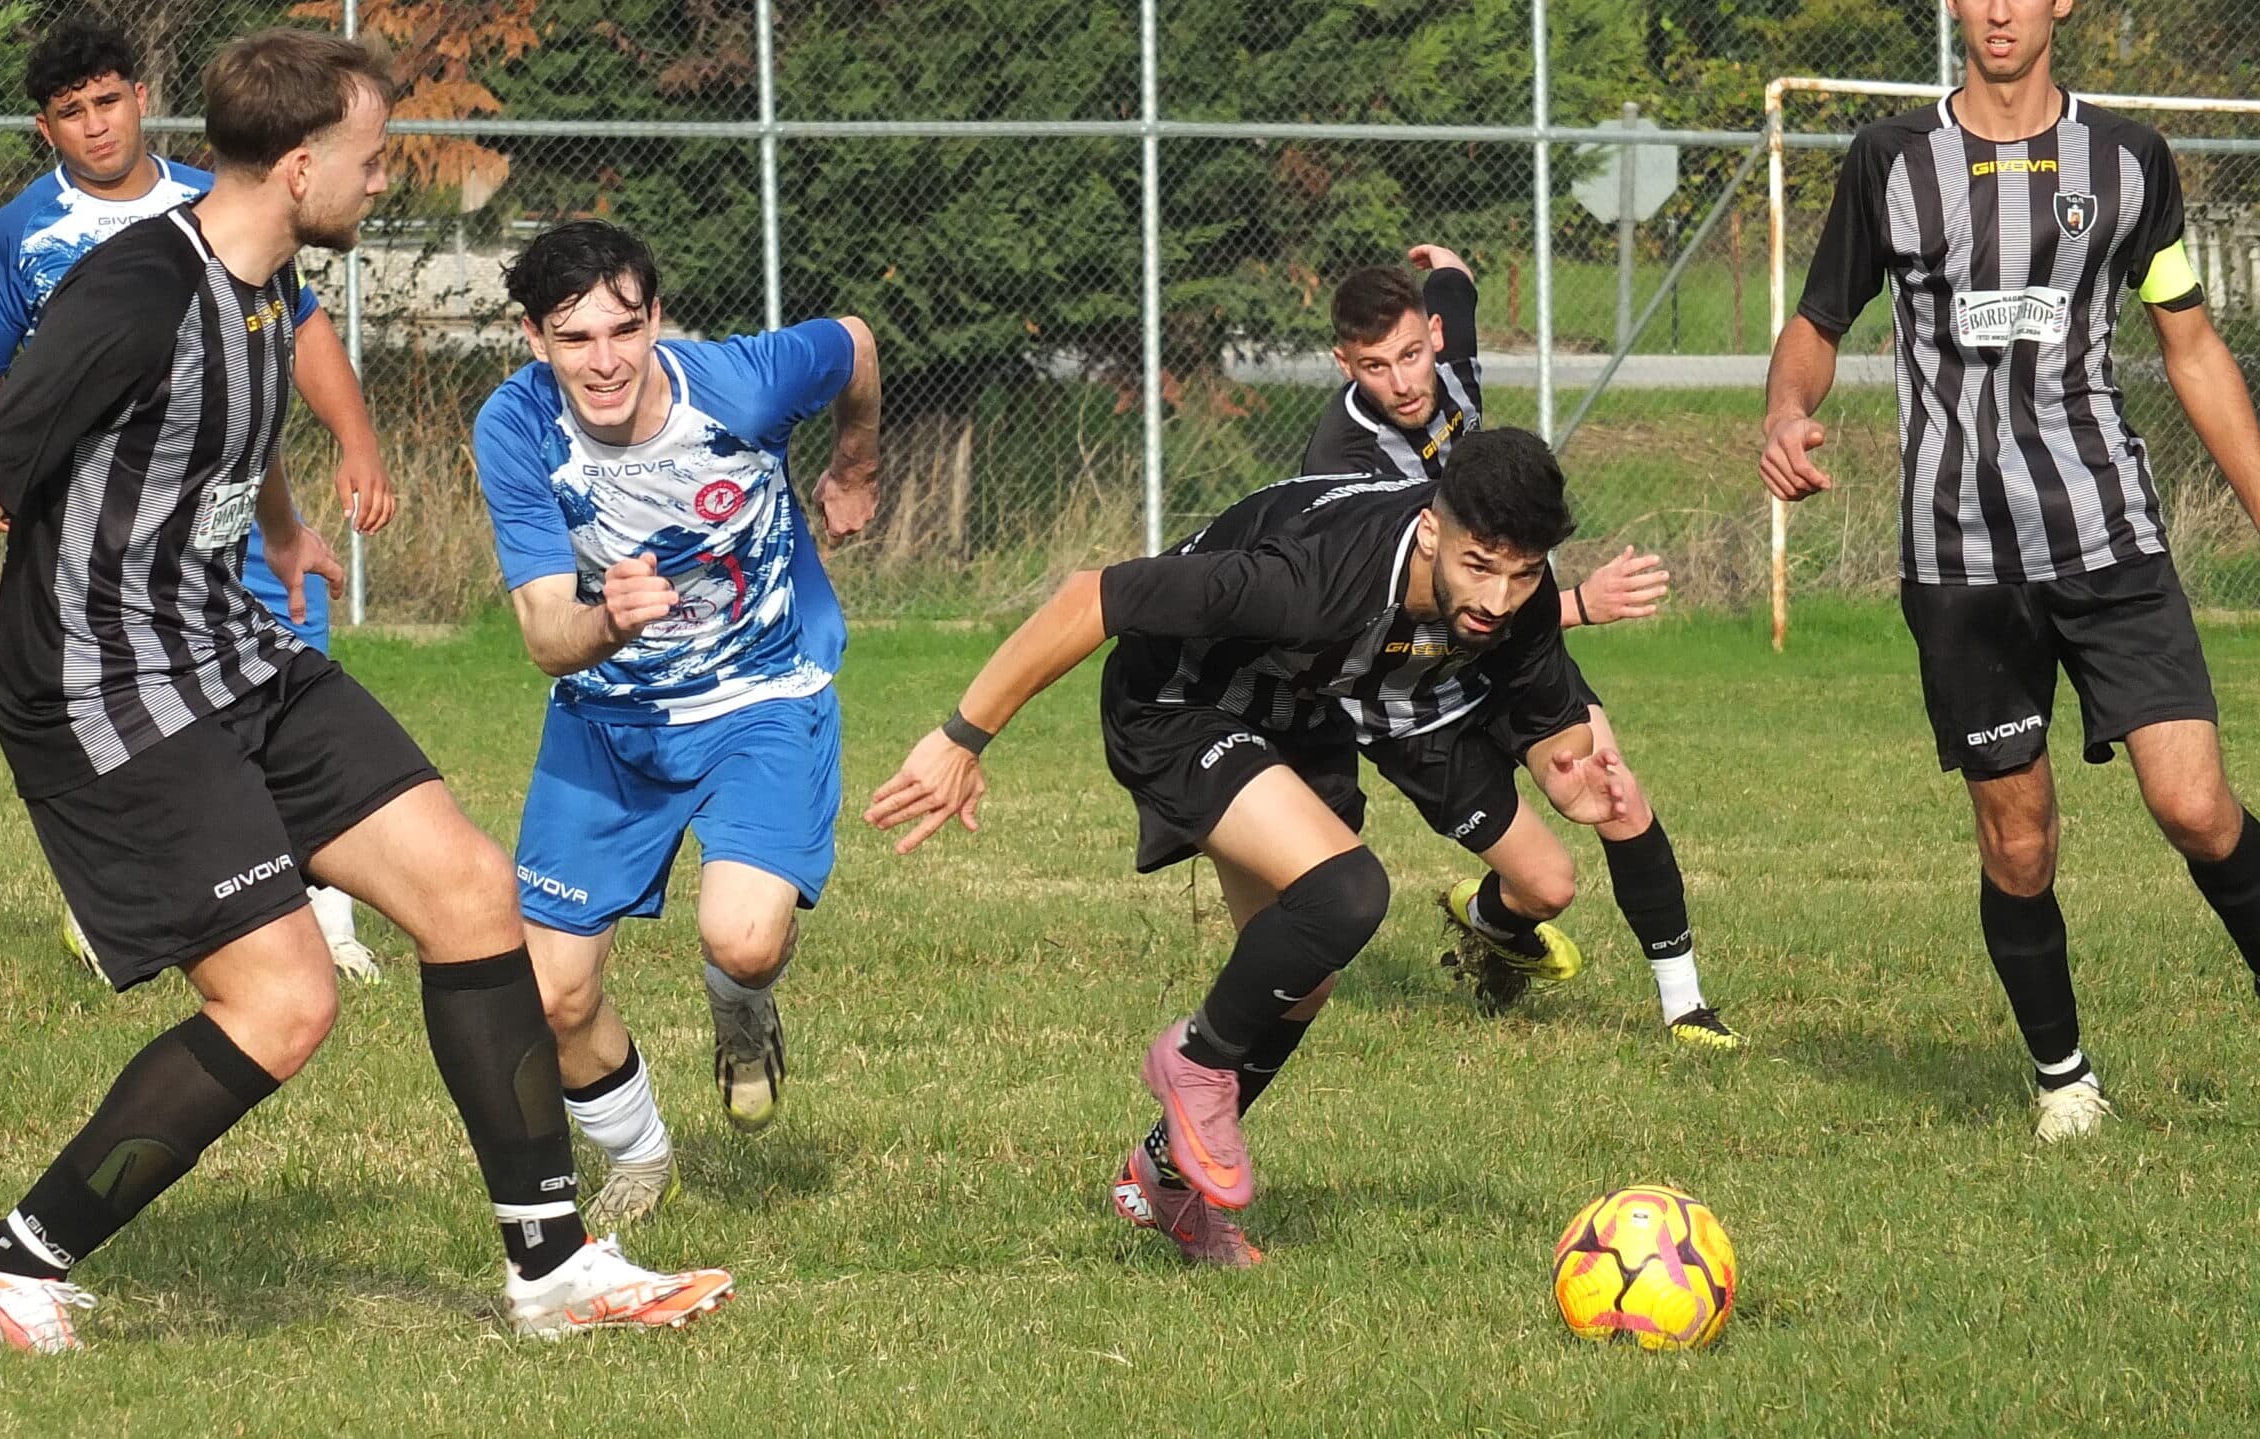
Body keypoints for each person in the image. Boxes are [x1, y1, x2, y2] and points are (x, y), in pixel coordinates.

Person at [0, 29, 731, 1348]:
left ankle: (551, 1269)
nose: (383, 182)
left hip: (227, 643)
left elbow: (212, 438)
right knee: (283, 1001)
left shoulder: (264, 284)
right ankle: (11, 1262)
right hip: (108, 682)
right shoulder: (134, 290)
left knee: (468, 889)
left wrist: (279, 532)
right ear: (305, 161)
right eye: (373, 160)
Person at [868, 429, 1628, 1266]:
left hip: (1297, 712)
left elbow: (1554, 730)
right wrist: (962, 737)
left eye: (1523, 574)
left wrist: (1572, 785)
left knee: (1304, 970)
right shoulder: (1311, 579)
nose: (1500, 596)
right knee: (1347, 892)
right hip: (1176, 704)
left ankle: (1164, 1179)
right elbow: (1094, 597)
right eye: (1480, 566)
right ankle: (1193, 1060)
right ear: (1432, 530)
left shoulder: (1515, 594)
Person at [1763, 0, 2260, 1142]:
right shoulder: (1890, 160)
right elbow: (1816, 322)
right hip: (1961, 560)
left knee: (2193, 805)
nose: (1996, 9)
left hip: (2108, 534)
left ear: (2059, 4)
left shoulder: (2128, 162)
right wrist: (1787, 411)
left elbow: (2188, 340)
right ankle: (2063, 1080)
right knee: (2018, 838)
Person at [0, 14, 392, 983]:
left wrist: (339, 458)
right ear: (45, 129)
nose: (97, 126)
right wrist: (9, 476)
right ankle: (163, 894)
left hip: (229, 524)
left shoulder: (234, 197)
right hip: (115, 541)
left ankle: (328, 915)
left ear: (141, 97)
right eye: (73, 113)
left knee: (296, 680)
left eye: (109, 101)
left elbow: (277, 347)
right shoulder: (23, 235)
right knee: (141, 717)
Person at [470, 220, 880, 1228]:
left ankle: (741, 1011)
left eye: (622, 329)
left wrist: (856, 466)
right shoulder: (516, 427)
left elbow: (858, 341)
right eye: (573, 339)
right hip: (607, 720)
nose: (602, 361)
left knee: (742, 941)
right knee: (552, 994)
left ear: (656, 317)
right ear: (533, 339)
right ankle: (642, 1156)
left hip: (761, 698)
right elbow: (540, 632)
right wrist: (608, 617)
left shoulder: (741, 385)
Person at [1300, 248, 1739, 1047]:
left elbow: (1453, 279)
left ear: (1432, 335)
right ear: (1343, 364)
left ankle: (1686, 1009)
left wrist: (1439, 267)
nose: (1402, 381)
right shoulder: (1346, 469)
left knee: (1616, 790)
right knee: (1548, 887)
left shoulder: (1450, 363)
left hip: (1512, 658)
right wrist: (1577, 604)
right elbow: (1438, 603)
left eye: (1411, 353)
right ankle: (1491, 922)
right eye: (1374, 367)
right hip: (1414, 701)